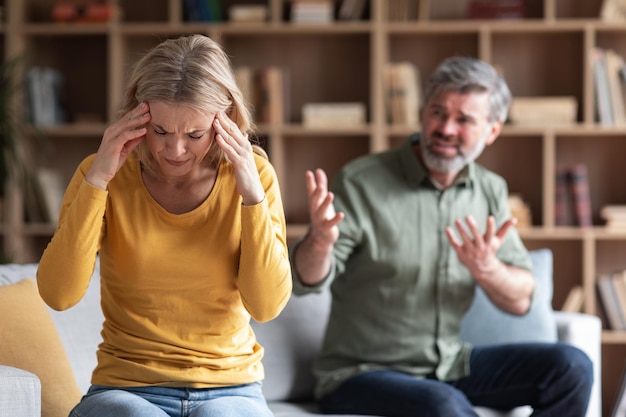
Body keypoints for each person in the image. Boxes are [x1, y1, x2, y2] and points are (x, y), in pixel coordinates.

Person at [290, 56, 593, 416]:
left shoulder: (489, 190)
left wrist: (488, 269)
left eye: (464, 119)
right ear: (423, 112)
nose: (446, 128)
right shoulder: (361, 181)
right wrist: (320, 241)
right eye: (438, 112)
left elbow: (522, 299)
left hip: (449, 366)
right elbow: (304, 281)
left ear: (492, 130)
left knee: (570, 367)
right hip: (361, 374)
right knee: (444, 405)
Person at [37, 34, 292, 417]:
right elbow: (59, 294)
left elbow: (267, 305)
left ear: (225, 123)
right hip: (127, 390)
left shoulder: (254, 177)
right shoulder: (102, 174)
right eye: (160, 132)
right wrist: (98, 182)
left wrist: (252, 196)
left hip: (231, 389)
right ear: (138, 116)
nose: (174, 151)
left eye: (194, 135)